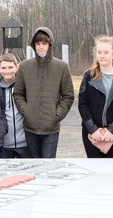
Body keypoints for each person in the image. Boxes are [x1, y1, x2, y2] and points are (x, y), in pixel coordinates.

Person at [13, 27, 74, 158]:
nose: (41, 47)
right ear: (34, 45)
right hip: (30, 127)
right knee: (33, 166)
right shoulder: (25, 66)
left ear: (50, 44)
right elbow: (18, 94)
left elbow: (68, 96)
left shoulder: (61, 67)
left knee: (48, 165)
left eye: (44, 43)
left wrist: (56, 115)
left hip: (51, 129)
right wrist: (27, 112)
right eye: (38, 44)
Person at [77, 35, 113, 158]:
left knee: (111, 170)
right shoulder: (88, 76)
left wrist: (112, 130)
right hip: (91, 133)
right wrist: (93, 129)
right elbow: (82, 104)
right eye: (99, 52)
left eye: (106, 52)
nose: (102, 55)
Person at [0, 53, 29, 158]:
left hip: (25, 142)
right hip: (3, 144)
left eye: (10, 67)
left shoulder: (26, 84)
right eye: (4, 68)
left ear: (17, 67)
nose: (7, 71)